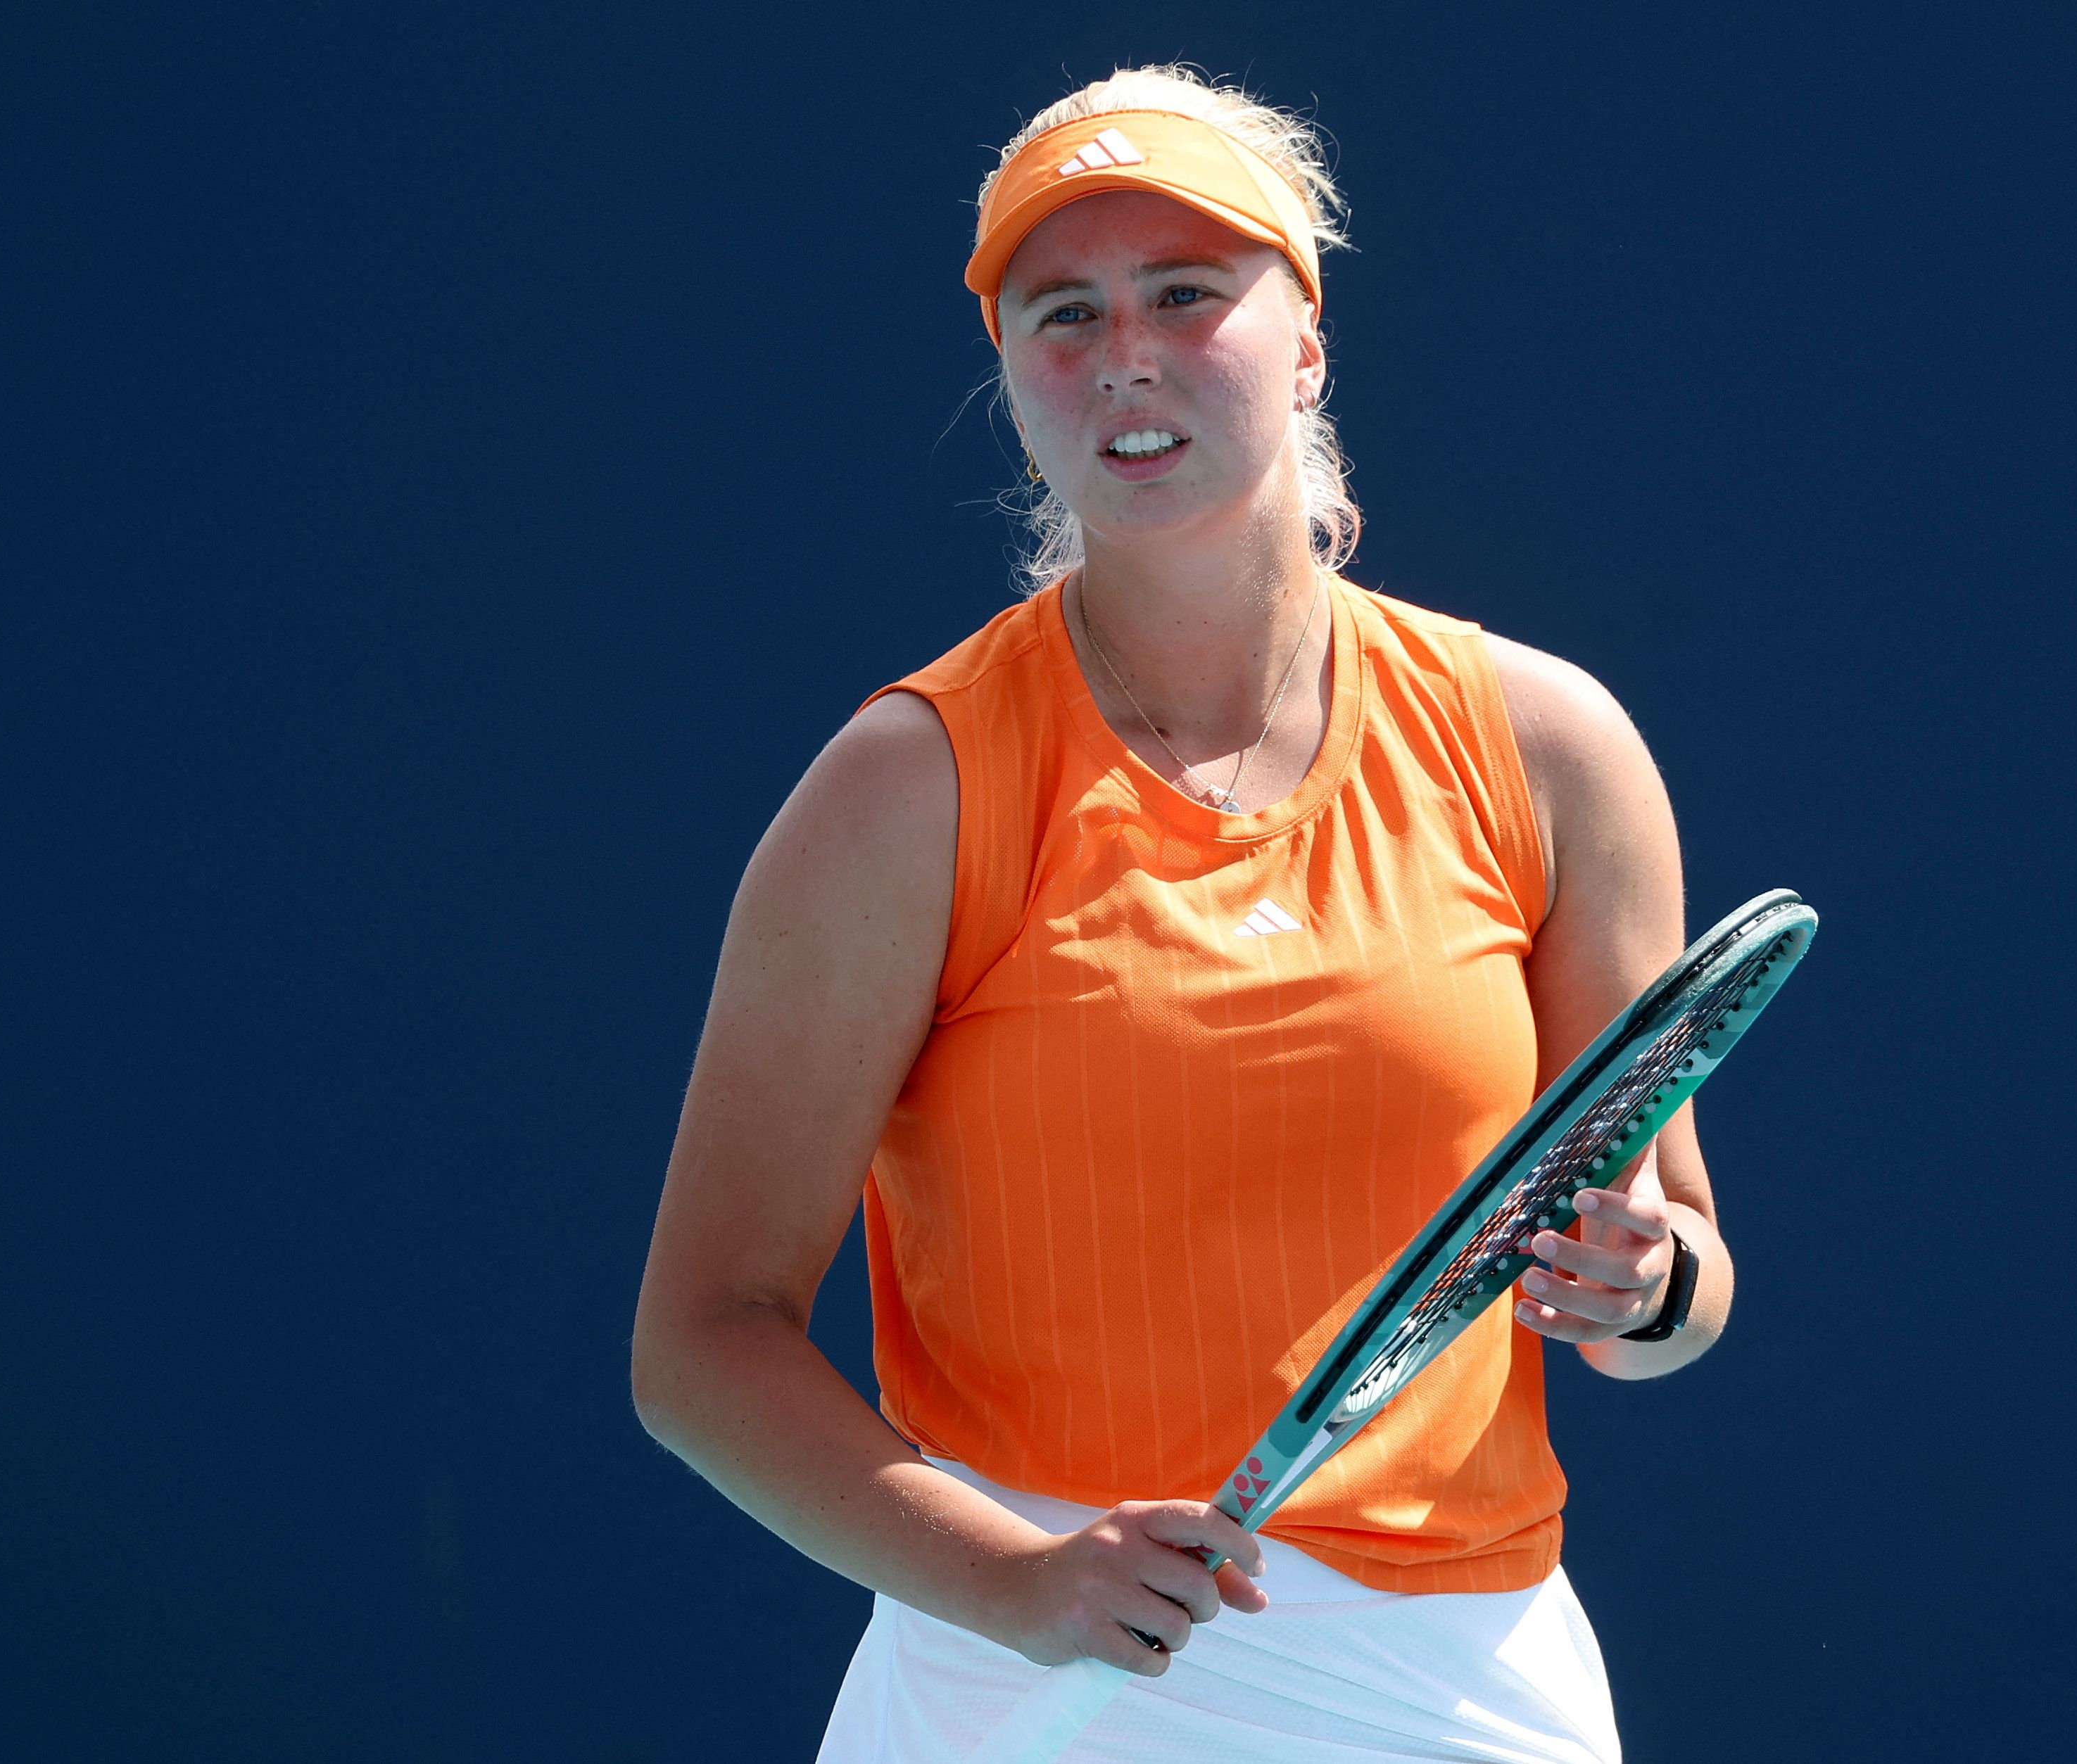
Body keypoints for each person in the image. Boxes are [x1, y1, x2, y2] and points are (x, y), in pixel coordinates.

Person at [631, 65, 1736, 1762]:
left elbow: (1671, 1274)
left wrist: (1647, 1290)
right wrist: (1016, 1580)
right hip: (1024, 1681)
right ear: (1009, 380)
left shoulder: (1548, 748)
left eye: (1186, 294)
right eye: (1061, 313)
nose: (1125, 357)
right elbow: (699, 1347)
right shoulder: (902, 791)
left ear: (1306, 342)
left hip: (1457, 1676)